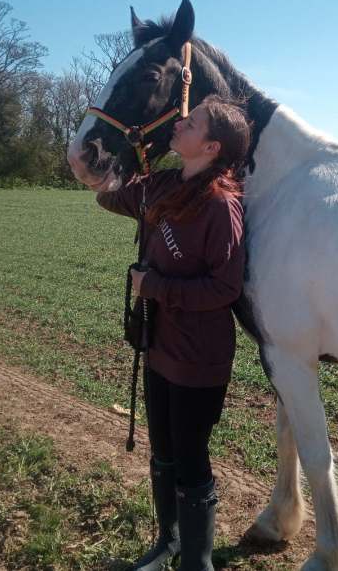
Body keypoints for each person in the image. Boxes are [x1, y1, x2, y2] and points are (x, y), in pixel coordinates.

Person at [93, 95, 249, 571]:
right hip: (157, 343)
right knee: (162, 450)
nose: (180, 123)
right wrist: (100, 157)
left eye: (192, 122)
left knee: (189, 455)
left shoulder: (221, 205)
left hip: (197, 356)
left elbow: (224, 288)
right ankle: (168, 544)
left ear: (212, 147)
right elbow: (107, 193)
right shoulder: (159, 186)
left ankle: (196, 564)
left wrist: (154, 286)